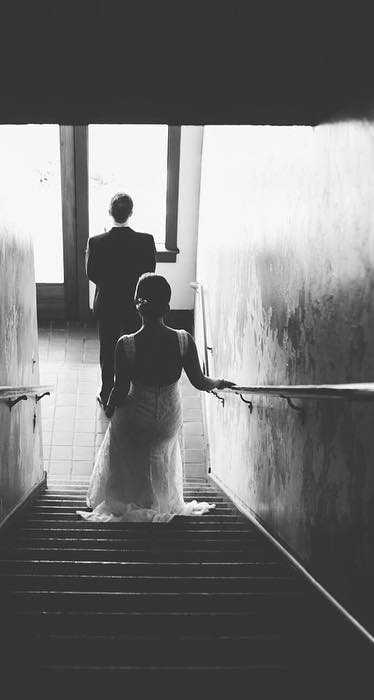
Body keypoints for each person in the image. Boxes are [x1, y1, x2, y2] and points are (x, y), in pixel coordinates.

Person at [79, 273, 236, 523]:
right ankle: (159, 500)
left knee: (124, 446)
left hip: (135, 417)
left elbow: (119, 391)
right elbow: (199, 381)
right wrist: (219, 382)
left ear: (137, 304)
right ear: (167, 306)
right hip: (167, 417)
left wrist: (109, 407)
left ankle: (131, 498)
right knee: (161, 456)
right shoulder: (184, 340)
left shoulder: (126, 345)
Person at [85, 193, 157, 408]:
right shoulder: (146, 241)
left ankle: (107, 391)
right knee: (134, 347)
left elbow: (92, 274)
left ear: (110, 212)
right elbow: (149, 272)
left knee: (108, 349)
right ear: (131, 213)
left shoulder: (96, 242)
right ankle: (131, 390)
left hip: (108, 303)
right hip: (135, 305)